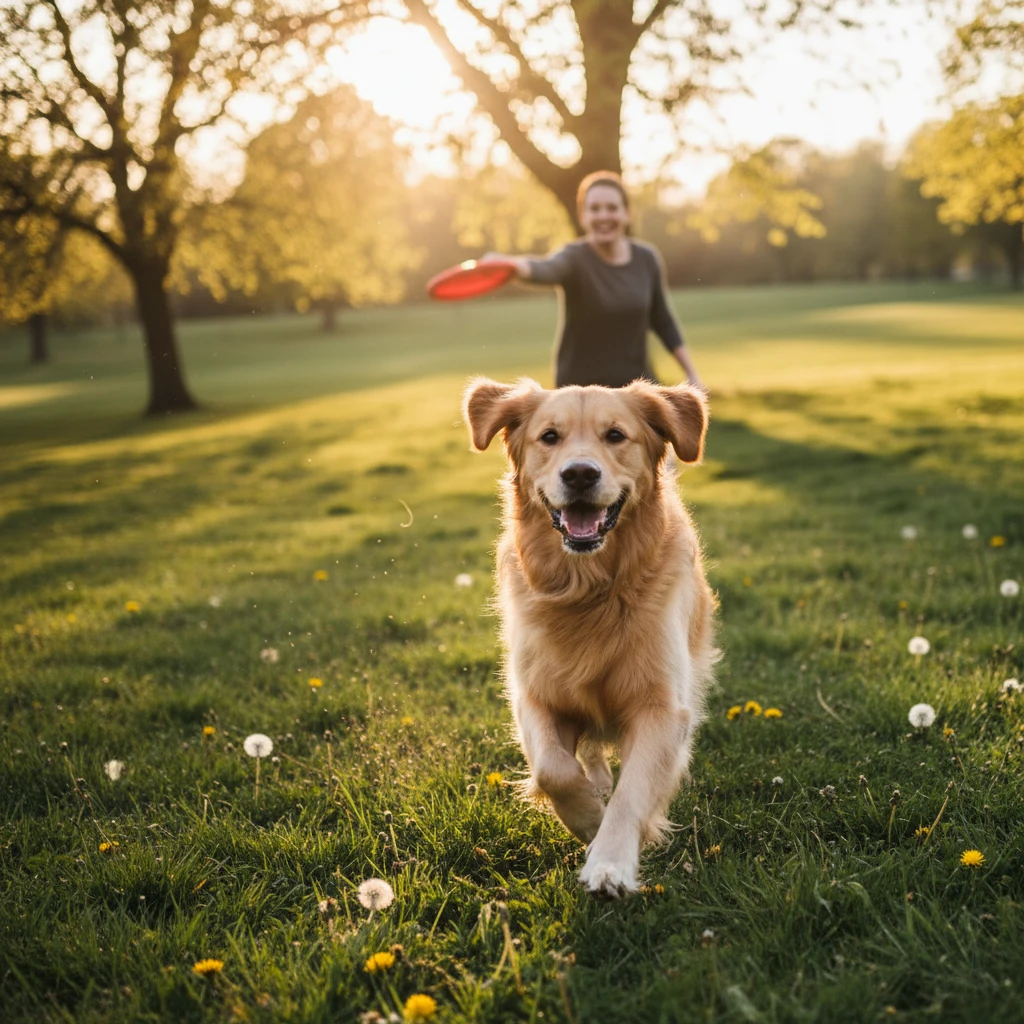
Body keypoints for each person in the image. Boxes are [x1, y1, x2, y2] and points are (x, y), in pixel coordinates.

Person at [492, 170, 704, 392]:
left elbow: (663, 321)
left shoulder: (646, 258)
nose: (603, 216)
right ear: (583, 216)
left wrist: (691, 373)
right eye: (594, 209)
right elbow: (546, 268)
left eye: (612, 208)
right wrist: (511, 265)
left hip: (634, 388)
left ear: (627, 213)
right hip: (580, 392)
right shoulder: (574, 257)